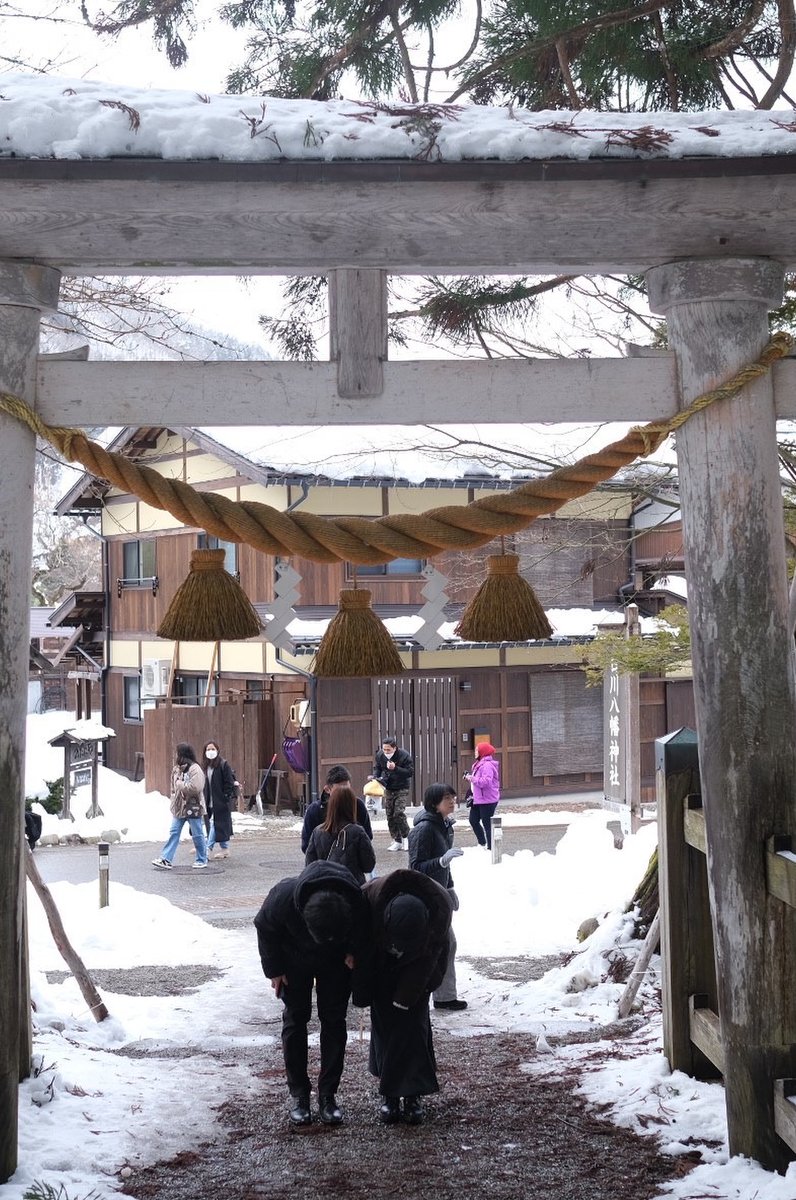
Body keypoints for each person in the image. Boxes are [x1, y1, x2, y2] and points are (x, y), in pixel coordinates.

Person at [254, 860, 369, 1127]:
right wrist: (274, 969)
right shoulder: (284, 896)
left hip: (336, 963)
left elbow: (364, 931)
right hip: (293, 962)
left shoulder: (356, 899)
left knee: (334, 1021)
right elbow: (265, 927)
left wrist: (353, 951)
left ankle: (328, 1096)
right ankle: (299, 1095)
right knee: (296, 1019)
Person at [356, 868, 453, 1126]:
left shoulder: (439, 907)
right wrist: (364, 990)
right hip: (379, 958)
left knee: (414, 1023)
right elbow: (360, 948)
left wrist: (413, 993)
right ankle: (390, 1094)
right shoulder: (368, 900)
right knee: (385, 1022)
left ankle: (413, 1094)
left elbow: (437, 957)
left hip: (421, 961)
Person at [409, 783, 466, 1011]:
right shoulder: (424, 829)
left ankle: (443, 996)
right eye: (447, 799)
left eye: (453, 797)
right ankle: (436, 995)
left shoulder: (444, 825)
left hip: (439, 894)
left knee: (445, 945)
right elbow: (415, 867)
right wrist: (441, 861)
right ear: (434, 804)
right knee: (442, 944)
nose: (452, 802)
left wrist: (450, 887)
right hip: (425, 896)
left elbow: (445, 865)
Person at [305, 783, 376, 885]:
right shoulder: (358, 832)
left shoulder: (317, 832)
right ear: (352, 805)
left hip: (324, 889)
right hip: (352, 888)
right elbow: (368, 866)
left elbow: (310, 866)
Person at [151, 742, 208, 870]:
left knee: (197, 833)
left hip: (193, 806)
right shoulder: (177, 768)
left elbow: (196, 787)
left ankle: (202, 858)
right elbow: (173, 785)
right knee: (174, 832)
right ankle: (166, 858)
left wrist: (180, 784)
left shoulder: (195, 769)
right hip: (179, 806)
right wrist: (174, 795)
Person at [300, 764, 373, 854]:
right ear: (327, 789)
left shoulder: (358, 805)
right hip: (324, 864)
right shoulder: (315, 810)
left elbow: (368, 837)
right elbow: (306, 845)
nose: (343, 794)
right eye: (339, 790)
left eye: (347, 789)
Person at [371, 737, 414, 852]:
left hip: (401, 787)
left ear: (395, 748)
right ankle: (397, 840)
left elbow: (410, 772)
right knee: (389, 814)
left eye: (388, 750)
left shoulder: (404, 756)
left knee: (398, 813)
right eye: (384, 749)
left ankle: (407, 837)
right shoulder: (380, 755)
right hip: (388, 787)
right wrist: (375, 777)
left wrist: (396, 768)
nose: (386, 752)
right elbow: (378, 768)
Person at [202, 740, 236, 859]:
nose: (210, 752)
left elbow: (229, 782)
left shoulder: (223, 764)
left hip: (220, 801)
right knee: (217, 824)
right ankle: (225, 849)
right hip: (209, 800)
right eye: (208, 749)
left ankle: (207, 848)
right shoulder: (205, 766)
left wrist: (226, 796)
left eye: (213, 749)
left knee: (215, 824)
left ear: (217, 750)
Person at [465, 742, 501, 851]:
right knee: (473, 820)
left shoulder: (487, 765)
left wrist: (471, 778)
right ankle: (482, 843)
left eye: (477, 750)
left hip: (488, 800)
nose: (475, 752)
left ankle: (491, 849)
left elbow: (486, 782)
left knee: (487, 825)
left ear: (482, 752)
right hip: (479, 799)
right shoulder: (479, 763)